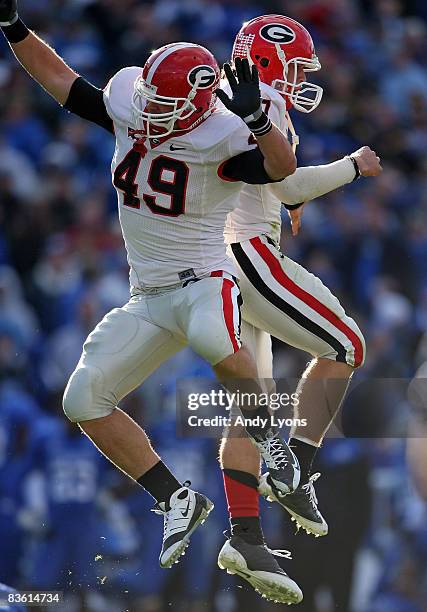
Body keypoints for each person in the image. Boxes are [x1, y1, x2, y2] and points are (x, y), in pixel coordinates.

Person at [0, 1, 303, 604]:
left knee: (219, 341)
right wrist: (12, 25)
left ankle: (272, 438)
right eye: (149, 99)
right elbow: (61, 81)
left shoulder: (223, 133)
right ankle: (176, 500)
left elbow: (281, 167)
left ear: (197, 107)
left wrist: (262, 124)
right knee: (82, 398)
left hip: (203, 277)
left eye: (166, 107)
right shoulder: (131, 102)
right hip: (148, 294)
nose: (150, 113)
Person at [218, 13, 382, 564]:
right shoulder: (263, 102)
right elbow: (286, 177)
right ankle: (297, 475)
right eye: (296, 66)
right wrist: (352, 167)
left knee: (251, 404)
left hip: (211, 262)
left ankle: (244, 537)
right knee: (346, 346)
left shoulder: (221, 94)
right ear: (269, 61)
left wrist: (287, 200)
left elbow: (265, 179)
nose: (301, 77)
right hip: (247, 254)